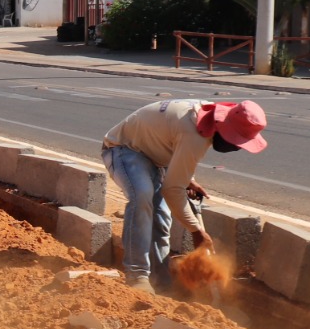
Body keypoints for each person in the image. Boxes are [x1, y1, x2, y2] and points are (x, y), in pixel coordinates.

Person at [100, 99, 268, 294]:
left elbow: (178, 146)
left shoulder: (208, 116)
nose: (237, 147)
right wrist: (197, 232)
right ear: (225, 127)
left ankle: (161, 285)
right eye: (237, 141)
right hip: (123, 149)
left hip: (157, 157)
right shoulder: (194, 132)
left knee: (161, 219)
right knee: (142, 196)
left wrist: (188, 179)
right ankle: (137, 276)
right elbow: (172, 189)